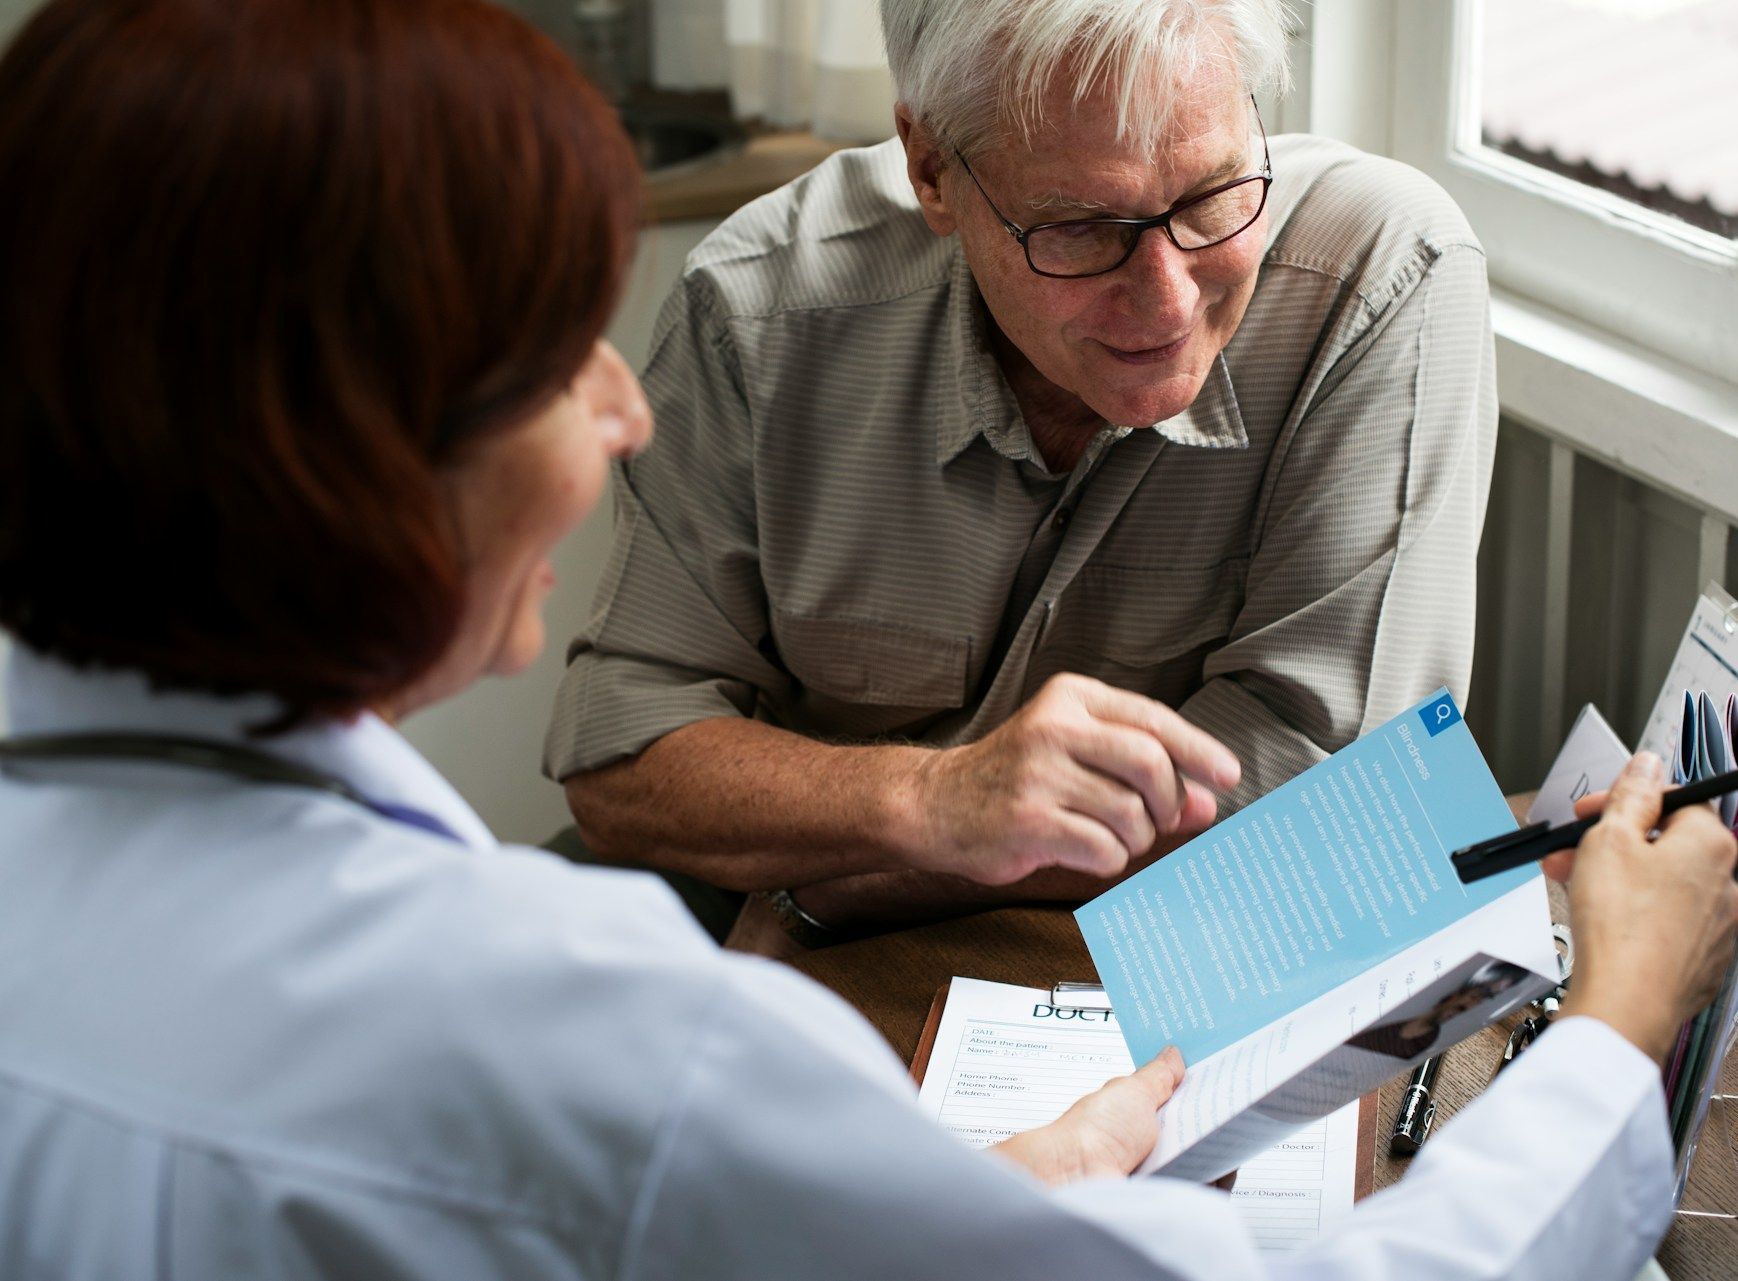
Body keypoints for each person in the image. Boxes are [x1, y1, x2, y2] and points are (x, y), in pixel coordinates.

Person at [0, 2, 1738, 1279]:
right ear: (342, 456)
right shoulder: (615, 1048)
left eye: (1212, 200)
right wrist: (1613, 1026)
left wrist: (1006, 1187)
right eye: (550, 356)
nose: (621, 413)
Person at [544, 0, 1502, 950]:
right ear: (932, 172)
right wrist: (930, 801)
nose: (1168, 300)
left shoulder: (1384, 276)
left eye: (1211, 196)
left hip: (1138, 933)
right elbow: (619, 751)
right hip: (794, 941)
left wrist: (849, 884)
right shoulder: (759, 311)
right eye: (1081, 229)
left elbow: (1335, 793)